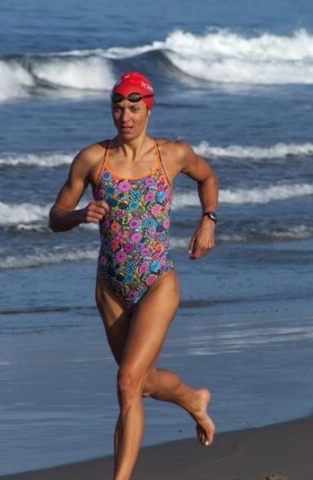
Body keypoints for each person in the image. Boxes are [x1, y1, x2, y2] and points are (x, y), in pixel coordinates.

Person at [48, 71, 219, 480]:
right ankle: (193, 399)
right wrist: (77, 215)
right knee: (139, 384)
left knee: (127, 381)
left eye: (133, 107)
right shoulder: (93, 159)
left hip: (158, 280)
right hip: (111, 287)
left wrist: (208, 220)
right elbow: (55, 217)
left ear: (148, 108)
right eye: (118, 106)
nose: (124, 115)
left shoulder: (172, 154)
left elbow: (207, 176)